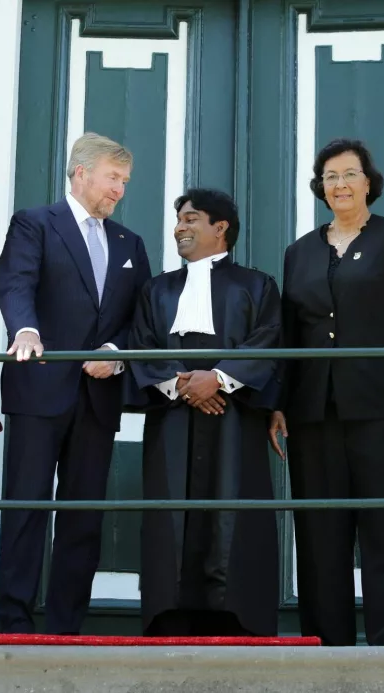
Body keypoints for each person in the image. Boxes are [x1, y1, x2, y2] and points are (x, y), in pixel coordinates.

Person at [269, 138, 384, 647]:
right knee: (321, 540)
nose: (339, 184)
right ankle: (326, 649)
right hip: (312, 414)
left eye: (349, 174)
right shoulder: (299, 251)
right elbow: (288, 333)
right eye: (330, 176)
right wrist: (277, 403)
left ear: (368, 182)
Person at [0, 132, 152, 635]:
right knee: (26, 511)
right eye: (113, 178)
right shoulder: (34, 223)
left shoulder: (131, 243)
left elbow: (141, 317)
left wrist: (115, 353)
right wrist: (24, 328)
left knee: (83, 519)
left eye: (125, 182)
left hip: (99, 398)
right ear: (81, 173)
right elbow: (16, 282)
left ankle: (65, 628)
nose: (120, 190)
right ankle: (15, 625)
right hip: (39, 390)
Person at [128, 188, 281, 637]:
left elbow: (269, 341)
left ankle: (239, 619)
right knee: (171, 512)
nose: (180, 227)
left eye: (192, 219)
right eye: (179, 220)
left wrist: (219, 379)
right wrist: (182, 384)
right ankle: (167, 617)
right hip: (172, 416)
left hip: (234, 418)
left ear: (221, 227)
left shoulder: (257, 285)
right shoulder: (156, 289)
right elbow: (142, 345)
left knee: (234, 510)